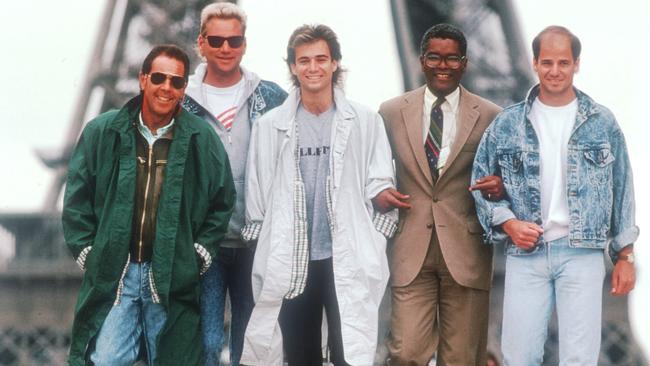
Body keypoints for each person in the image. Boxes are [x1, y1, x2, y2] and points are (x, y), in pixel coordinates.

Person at [472, 25, 638, 365]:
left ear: (576, 64)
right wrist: (508, 223)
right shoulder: (506, 124)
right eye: (547, 62)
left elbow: (623, 189)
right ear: (534, 63)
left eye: (563, 62)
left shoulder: (602, 122)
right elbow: (478, 183)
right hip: (525, 254)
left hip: (582, 253)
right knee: (518, 358)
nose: (555, 71)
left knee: (580, 359)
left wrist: (625, 255)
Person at [62, 44, 235, 365]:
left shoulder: (202, 138)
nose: (166, 87)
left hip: (172, 275)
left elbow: (222, 201)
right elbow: (77, 196)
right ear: (143, 79)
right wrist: (88, 250)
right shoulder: (102, 132)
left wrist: (198, 253)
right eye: (158, 77)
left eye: (177, 81)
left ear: (184, 89)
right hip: (117, 274)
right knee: (106, 361)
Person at [240, 24, 398, 366]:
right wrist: (264, 246)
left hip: (346, 256)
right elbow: (256, 196)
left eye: (321, 59)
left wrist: (374, 237)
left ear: (335, 63)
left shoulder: (366, 120)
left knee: (349, 355)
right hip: (292, 259)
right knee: (299, 356)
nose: (313, 67)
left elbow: (381, 181)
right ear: (293, 67)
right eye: (304, 60)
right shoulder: (270, 126)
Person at [378, 23, 502, 365]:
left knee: (462, 358)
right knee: (405, 354)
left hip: (466, 248)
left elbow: (508, 179)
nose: (443, 65)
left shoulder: (492, 115)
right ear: (422, 61)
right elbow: (372, 174)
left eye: (452, 58)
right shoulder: (389, 112)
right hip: (410, 247)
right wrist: (378, 194)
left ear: (464, 63)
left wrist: (501, 186)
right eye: (434, 57)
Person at [181, 3, 287, 365]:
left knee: (250, 347)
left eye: (234, 40)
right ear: (201, 43)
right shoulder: (181, 101)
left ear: (244, 44)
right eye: (216, 39)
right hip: (204, 243)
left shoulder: (272, 97)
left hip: (255, 242)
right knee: (206, 343)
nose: (225, 47)